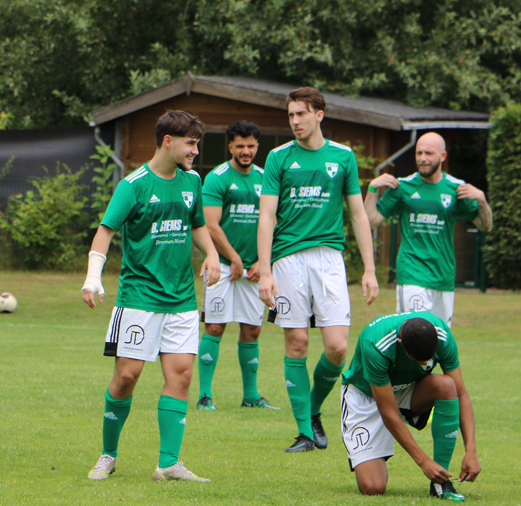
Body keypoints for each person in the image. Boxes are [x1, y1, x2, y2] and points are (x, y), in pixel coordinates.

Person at [83, 110, 221, 483]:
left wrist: (211, 253)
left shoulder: (193, 181)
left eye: (197, 144)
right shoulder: (134, 185)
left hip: (181, 299)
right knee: (127, 376)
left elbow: (197, 224)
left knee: (182, 376)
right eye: (190, 143)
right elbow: (105, 231)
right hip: (139, 298)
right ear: (167, 141)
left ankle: (168, 464)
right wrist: (93, 277)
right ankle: (108, 455)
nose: (195, 151)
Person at [257, 86, 378, 453]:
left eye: (301, 114)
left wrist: (369, 269)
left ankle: (312, 409)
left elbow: (358, 215)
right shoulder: (278, 158)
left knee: (338, 348)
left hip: (329, 260)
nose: (295, 121)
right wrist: (266, 270)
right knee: (297, 343)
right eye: (291, 115)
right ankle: (304, 433)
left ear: (319, 115)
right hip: (288, 260)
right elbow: (267, 217)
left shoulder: (343, 157)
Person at [341, 312, 479, 500]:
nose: (425, 364)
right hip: (367, 395)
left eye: (429, 359)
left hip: (408, 389)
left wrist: (470, 450)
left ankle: (441, 483)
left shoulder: (443, 335)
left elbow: (461, 393)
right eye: (419, 361)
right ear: (400, 342)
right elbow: (388, 412)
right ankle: (367, 458)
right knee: (373, 487)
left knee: (447, 386)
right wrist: (424, 462)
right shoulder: (375, 343)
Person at [364, 132, 493, 326]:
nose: (422, 158)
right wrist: (372, 188)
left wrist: (481, 199)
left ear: (442, 156)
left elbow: (486, 226)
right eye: (419, 153)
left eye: (429, 153)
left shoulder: (456, 188)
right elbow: (371, 221)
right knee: (416, 332)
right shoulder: (403, 187)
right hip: (412, 274)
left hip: (443, 278)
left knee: (438, 338)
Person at [196, 120, 277, 411]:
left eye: (251, 146)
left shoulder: (266, 178)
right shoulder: (217, 178)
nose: (246, 151)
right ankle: (205, 395)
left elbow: (275, 222)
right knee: (215, 326)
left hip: (254, 269)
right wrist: (233, 257)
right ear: (230, 146)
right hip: (223, 267)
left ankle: (251, 396)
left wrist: (262, 262)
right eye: (240, 146)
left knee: (252, 330)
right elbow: (210, 224)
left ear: (257, 147)